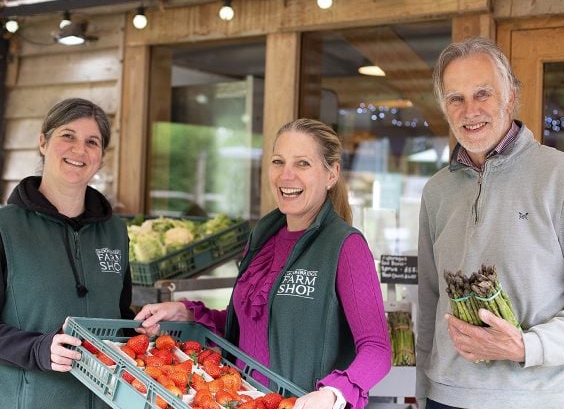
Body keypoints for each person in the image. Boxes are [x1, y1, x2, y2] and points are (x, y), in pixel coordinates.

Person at [416, 37, 564, 409]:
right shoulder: (437, 191)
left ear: (510, 98)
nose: (470, 110)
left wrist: (527, 346)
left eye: (482, 93)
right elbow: (430, 300)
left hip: (533, 400)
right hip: (445, 397)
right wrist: (424, 393)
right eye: (456, 98)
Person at [135, 118, 391, 409]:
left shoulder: (345, 246)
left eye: (303, 164)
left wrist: (333, 393)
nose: (286, 175)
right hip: (240, 400)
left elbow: (377, 349)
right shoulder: (262, 237)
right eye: (278, 162)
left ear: (331, 173)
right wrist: (186, 313)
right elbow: (250, 324)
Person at [0, 98, 134, 409]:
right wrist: (37, 348)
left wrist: (143, 329)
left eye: (92, 142)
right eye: (67, 136)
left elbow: (120, 317)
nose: (79, 150)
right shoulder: (5, 228)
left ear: (100, 158)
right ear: (43, 142)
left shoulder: (115, 231)